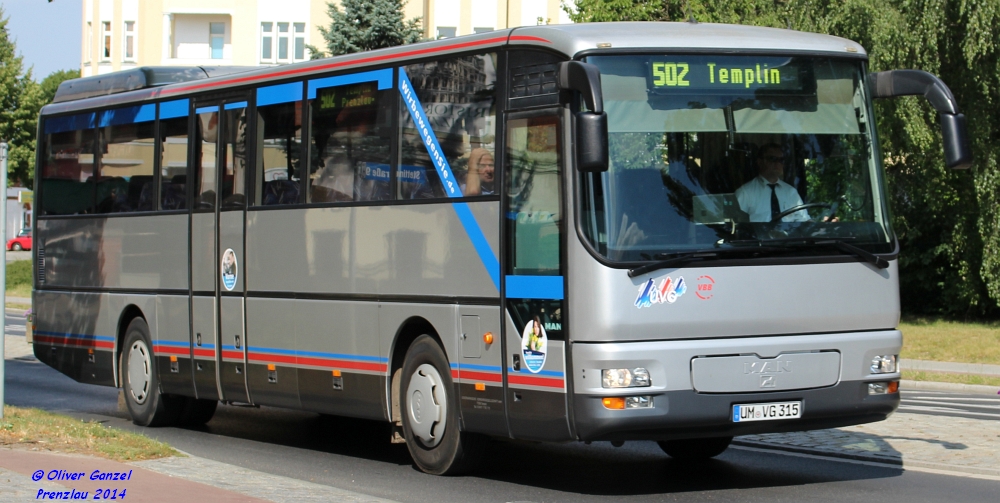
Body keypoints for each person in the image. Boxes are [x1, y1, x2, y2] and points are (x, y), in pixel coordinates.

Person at [735, 143, 808, 222]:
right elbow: (734, 224)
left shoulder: (791, 192)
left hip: (788, 233)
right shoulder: (745, 193)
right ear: (760, 162)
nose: (777, 163)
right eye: (772, 159)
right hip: (757, 234)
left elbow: (805, 221)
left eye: (781, 160)